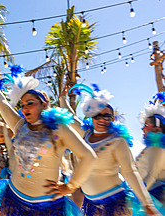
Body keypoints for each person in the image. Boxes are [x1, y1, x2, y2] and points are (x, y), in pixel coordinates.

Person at [0, 61, 97, 216]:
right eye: (22, 105)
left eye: (30, 103)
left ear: (43, 105)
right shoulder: (20, 125)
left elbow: (88, 156)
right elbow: (1, 103)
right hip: (13, 199)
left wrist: (70, 186)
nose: (25, 108)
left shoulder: (59, 129)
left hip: (47, 207)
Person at [66, 84, 159, 215]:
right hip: (91, 204)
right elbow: (70, 119)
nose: (102, 120)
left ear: (113, 119)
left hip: (115, 203)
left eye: (107, 116)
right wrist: (62, 98)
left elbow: (130, 171)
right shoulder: (85, 135)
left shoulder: (117, 141)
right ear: (91, 116)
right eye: (97, 115)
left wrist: (146, 202)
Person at [136, 92, 165, 210]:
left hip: (156, 200)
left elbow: (151, 175)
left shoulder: (158, 147)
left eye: (146, 124)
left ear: (157, 128)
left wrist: (137, 197)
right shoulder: (152, 147)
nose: (143, 128)